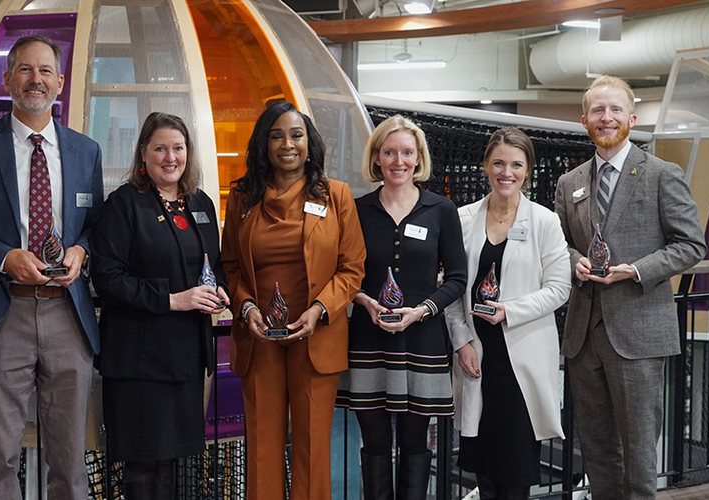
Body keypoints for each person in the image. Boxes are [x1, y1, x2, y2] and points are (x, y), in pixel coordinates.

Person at [0, 35, 103, 499]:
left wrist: (81, 252)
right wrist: (4, 257)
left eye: (45, 71)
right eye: (26, 70)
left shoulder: (85, 151)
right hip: (0, 311)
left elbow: (96, 227)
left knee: (71, 461)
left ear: (60, 82)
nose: (36, 80)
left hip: (68, 315)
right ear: (9, 79)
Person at [554, 75, 706, 500]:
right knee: (598, 451)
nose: (606, 118)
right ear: (585, 119)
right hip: (583, 335)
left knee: (639, 454)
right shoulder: (570, 183)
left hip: (639, 333)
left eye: (615, 109)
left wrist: (635, 270)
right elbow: (559, 245)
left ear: (631, 117)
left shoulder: (661, 174)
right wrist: (573, 262)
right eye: (598, 110)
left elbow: (691, 244)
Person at [221, 101, 365, 500]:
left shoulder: (336, 195)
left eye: (296, 135)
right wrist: (246, 306)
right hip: (259, 339)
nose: (288, 144)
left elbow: (352, 268)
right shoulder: (242, 197)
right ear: (263, 144)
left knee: (312, 447)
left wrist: (320, 310)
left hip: (315, 337)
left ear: (309, 142)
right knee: (262, 448)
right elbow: (230, 264)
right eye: (277, 135)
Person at [91, 112, 230, 499]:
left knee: (172, 460)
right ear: (143, 154)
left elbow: (214, 266)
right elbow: (109, 279)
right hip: (139, 360)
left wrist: (219, 290)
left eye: (178, 148)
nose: (171, 157)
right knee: (142, 462)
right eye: (161, 148)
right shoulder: (123, 204)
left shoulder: (198, 203)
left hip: (185, 357)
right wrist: (173, 299)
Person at [335, 115, 466, 500]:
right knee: (374, 442)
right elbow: (342, 272)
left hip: (422, 341)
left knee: (414, 442)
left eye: (407, 152)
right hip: (366, 340)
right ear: (376, 158)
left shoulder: (441, 209)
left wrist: (422, 310)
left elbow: (458, 278)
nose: (398, 161)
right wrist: (362, 299)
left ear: (419, 157)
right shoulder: (355, 210)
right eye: (389, 152)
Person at [444, 127, 570, 500]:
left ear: (527, 170)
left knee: (515, 473)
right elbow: (452, 288)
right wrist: (461, 340)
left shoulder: (544, 222)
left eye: (516, 164)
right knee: (484, 469)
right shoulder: (462, 219)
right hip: (476, 357)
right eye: (498, 162)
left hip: (522, 359)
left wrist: (508, 312)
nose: (506, 172)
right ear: (485, 165)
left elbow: (559, 289)